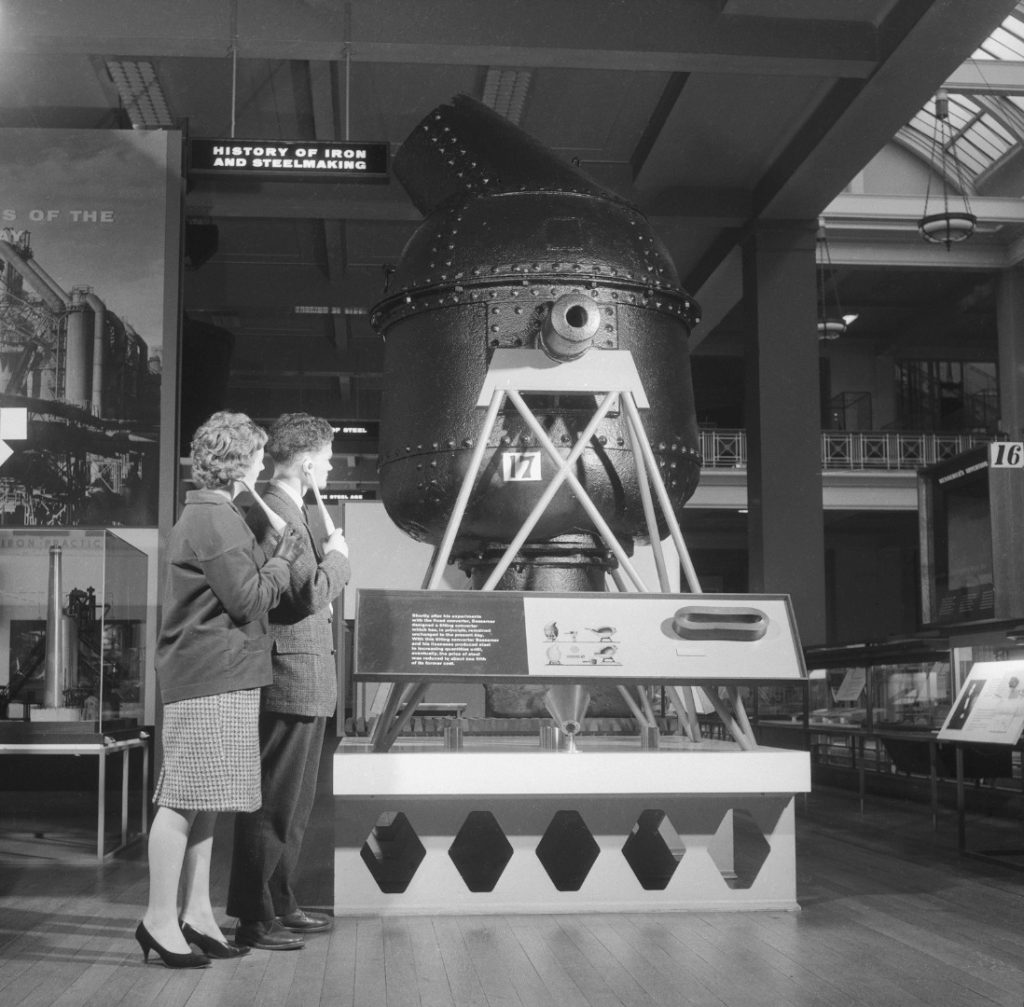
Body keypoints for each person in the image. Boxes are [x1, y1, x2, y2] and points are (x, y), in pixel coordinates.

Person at [136, 411, 302, 969]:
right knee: (183, 799)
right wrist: (283, 558)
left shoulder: (219, 515)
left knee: (205, 800)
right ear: (240, 462)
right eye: (257, 456)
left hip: (221, 674)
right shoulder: (217, 519)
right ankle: (159, 919)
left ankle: (196, 914)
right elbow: (250, 600)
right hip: (209, 675)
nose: (262, 465)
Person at [227, 413, 351, 950]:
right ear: (305, 463)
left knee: (294, 806)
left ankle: (281, 902)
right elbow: (305, 596)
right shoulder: (278, 511)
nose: (328, 465)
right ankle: (255, 918)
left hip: (304, 675)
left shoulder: (290, 509)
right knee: (274, 803)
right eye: (324, 458)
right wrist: (341, 561)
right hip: (290, 674)